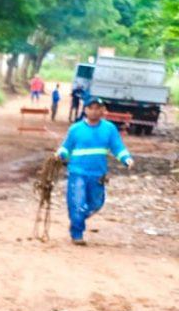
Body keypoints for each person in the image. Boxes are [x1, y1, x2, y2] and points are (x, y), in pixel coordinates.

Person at [57, 99, 133, 245]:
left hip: (98, 174)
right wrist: (60, 155)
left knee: (96, 203)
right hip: (77, 172)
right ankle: (77, 234)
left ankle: (76, 219)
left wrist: (126, 159)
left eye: (98, 108)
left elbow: (117, 147)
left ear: (103, 110)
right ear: (85, 110)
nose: (94, 111)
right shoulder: (75, 129)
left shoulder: (109, 129)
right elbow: (66, 147)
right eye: (91, 108)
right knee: (77, 203)